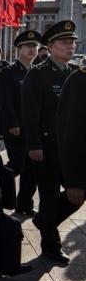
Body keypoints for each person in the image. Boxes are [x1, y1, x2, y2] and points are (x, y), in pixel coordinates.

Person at [22, 20, 82, 264]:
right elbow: (30, 112)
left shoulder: (75, 73)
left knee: (77, 192)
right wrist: (34, 145)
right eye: (65, 42)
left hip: (70, 150)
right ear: (51, 45)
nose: (70, 46)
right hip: (46, 148)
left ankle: (44, 220)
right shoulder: (37, 74)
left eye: (73, 42)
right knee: (48, 195)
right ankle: (51, 246)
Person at [0, 30, 41, 216]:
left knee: (32, 168)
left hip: (34, 129)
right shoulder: (9, 73)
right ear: (19, 49)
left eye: (35, 47)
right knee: (18, 163)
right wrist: (12, 124)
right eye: (28, 46)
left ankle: (24, 203)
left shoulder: (38, 71)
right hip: (15, 127)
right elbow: (5, 102)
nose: (32, 50)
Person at [57, 65, 86, 210]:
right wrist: (74, 182)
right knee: (72, 202)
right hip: (80, 169)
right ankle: (47, 222)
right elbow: (71, 134)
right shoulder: (80, 80)